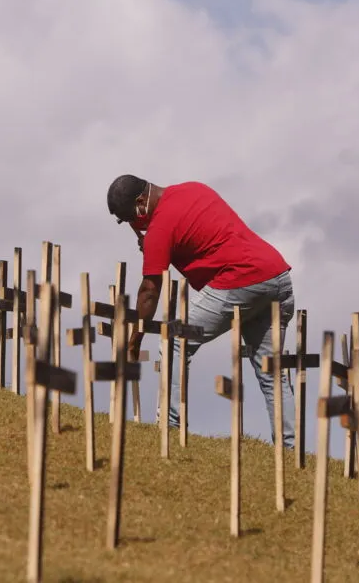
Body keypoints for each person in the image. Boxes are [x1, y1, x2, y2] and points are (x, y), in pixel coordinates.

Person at [106, 174, 296, 448]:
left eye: (131, 219)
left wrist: (135, 339)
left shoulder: (160, 227)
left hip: (241, 280)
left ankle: (169, 427)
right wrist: (155, 246)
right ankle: (289, 451)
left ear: (141, 203)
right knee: (272, 372)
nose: (135, 226)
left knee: (174, 340)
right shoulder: (192, 189)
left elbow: (150, 288)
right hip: (276, 276)